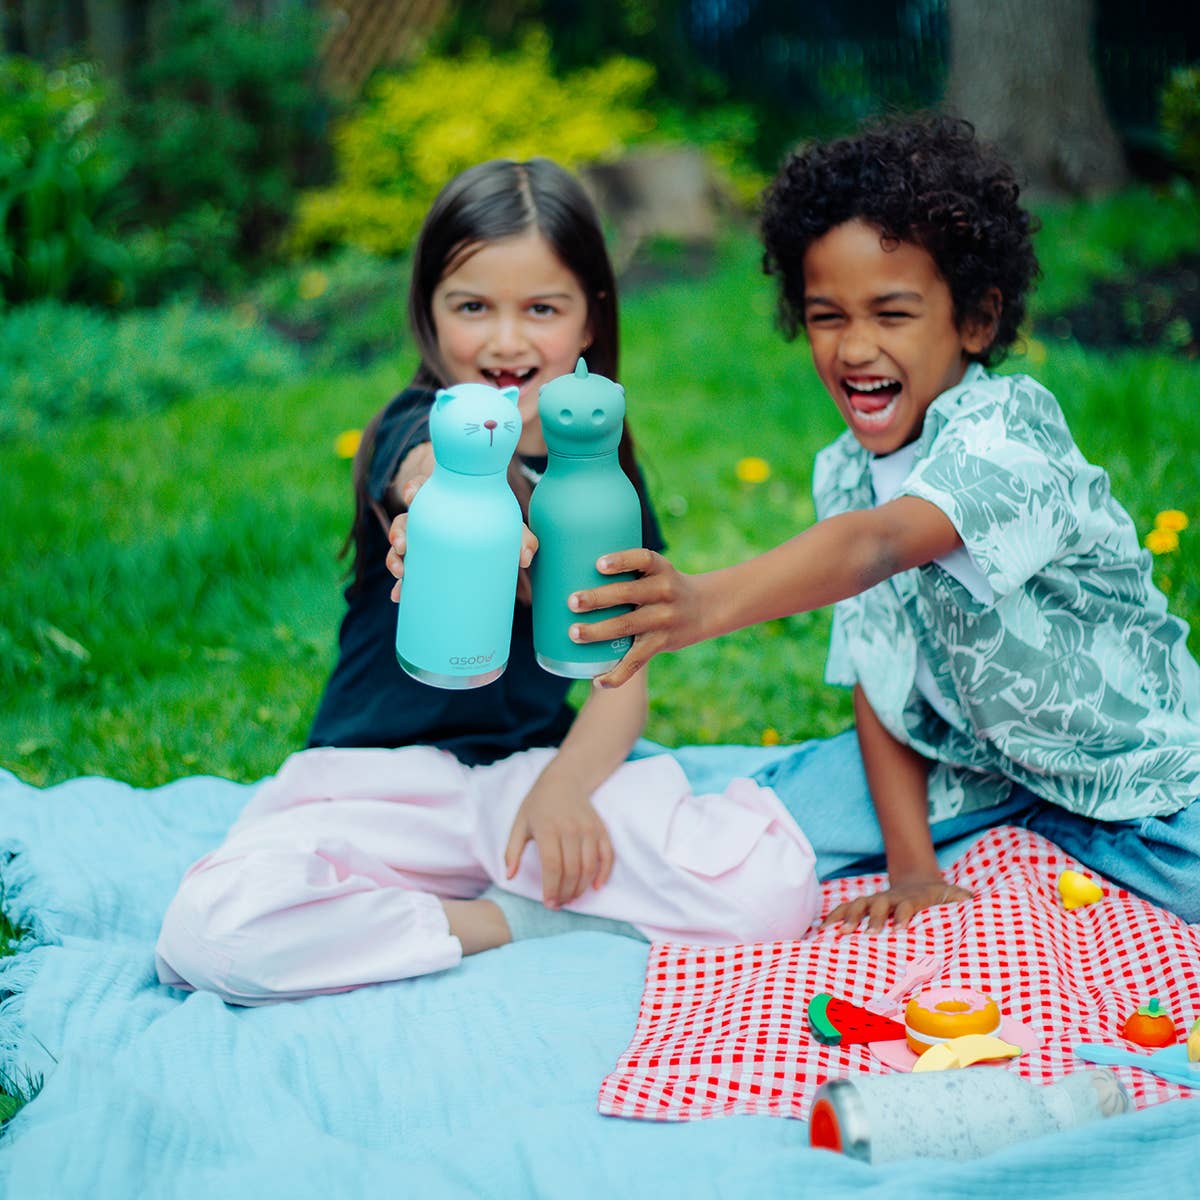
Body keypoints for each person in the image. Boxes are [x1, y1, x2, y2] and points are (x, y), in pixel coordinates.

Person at [155, 158, 819, 1004]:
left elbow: (621, 671)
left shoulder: (605, 472)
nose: (506, 342)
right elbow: (427, 472)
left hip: (522, 783)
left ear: (590, 320)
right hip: (380, 786)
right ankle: (502, 923)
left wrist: (565, 789)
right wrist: (451, 502)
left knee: (766, 889)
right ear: (429, 313)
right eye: (473, 307)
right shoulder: (408, 429)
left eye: (541, 309)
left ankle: (435, 914)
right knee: (216, 928)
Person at [567, 115, 1200, 928]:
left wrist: (704, 604)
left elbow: (879, 545)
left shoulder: (1010, 432)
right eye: (827, 315)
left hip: (1140, 779)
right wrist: (910, 870)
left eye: (891, 314)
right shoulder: (843, 470)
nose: (855, 347)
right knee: (749, 829)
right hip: (974, 769)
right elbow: (883, 674)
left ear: (975, 320)